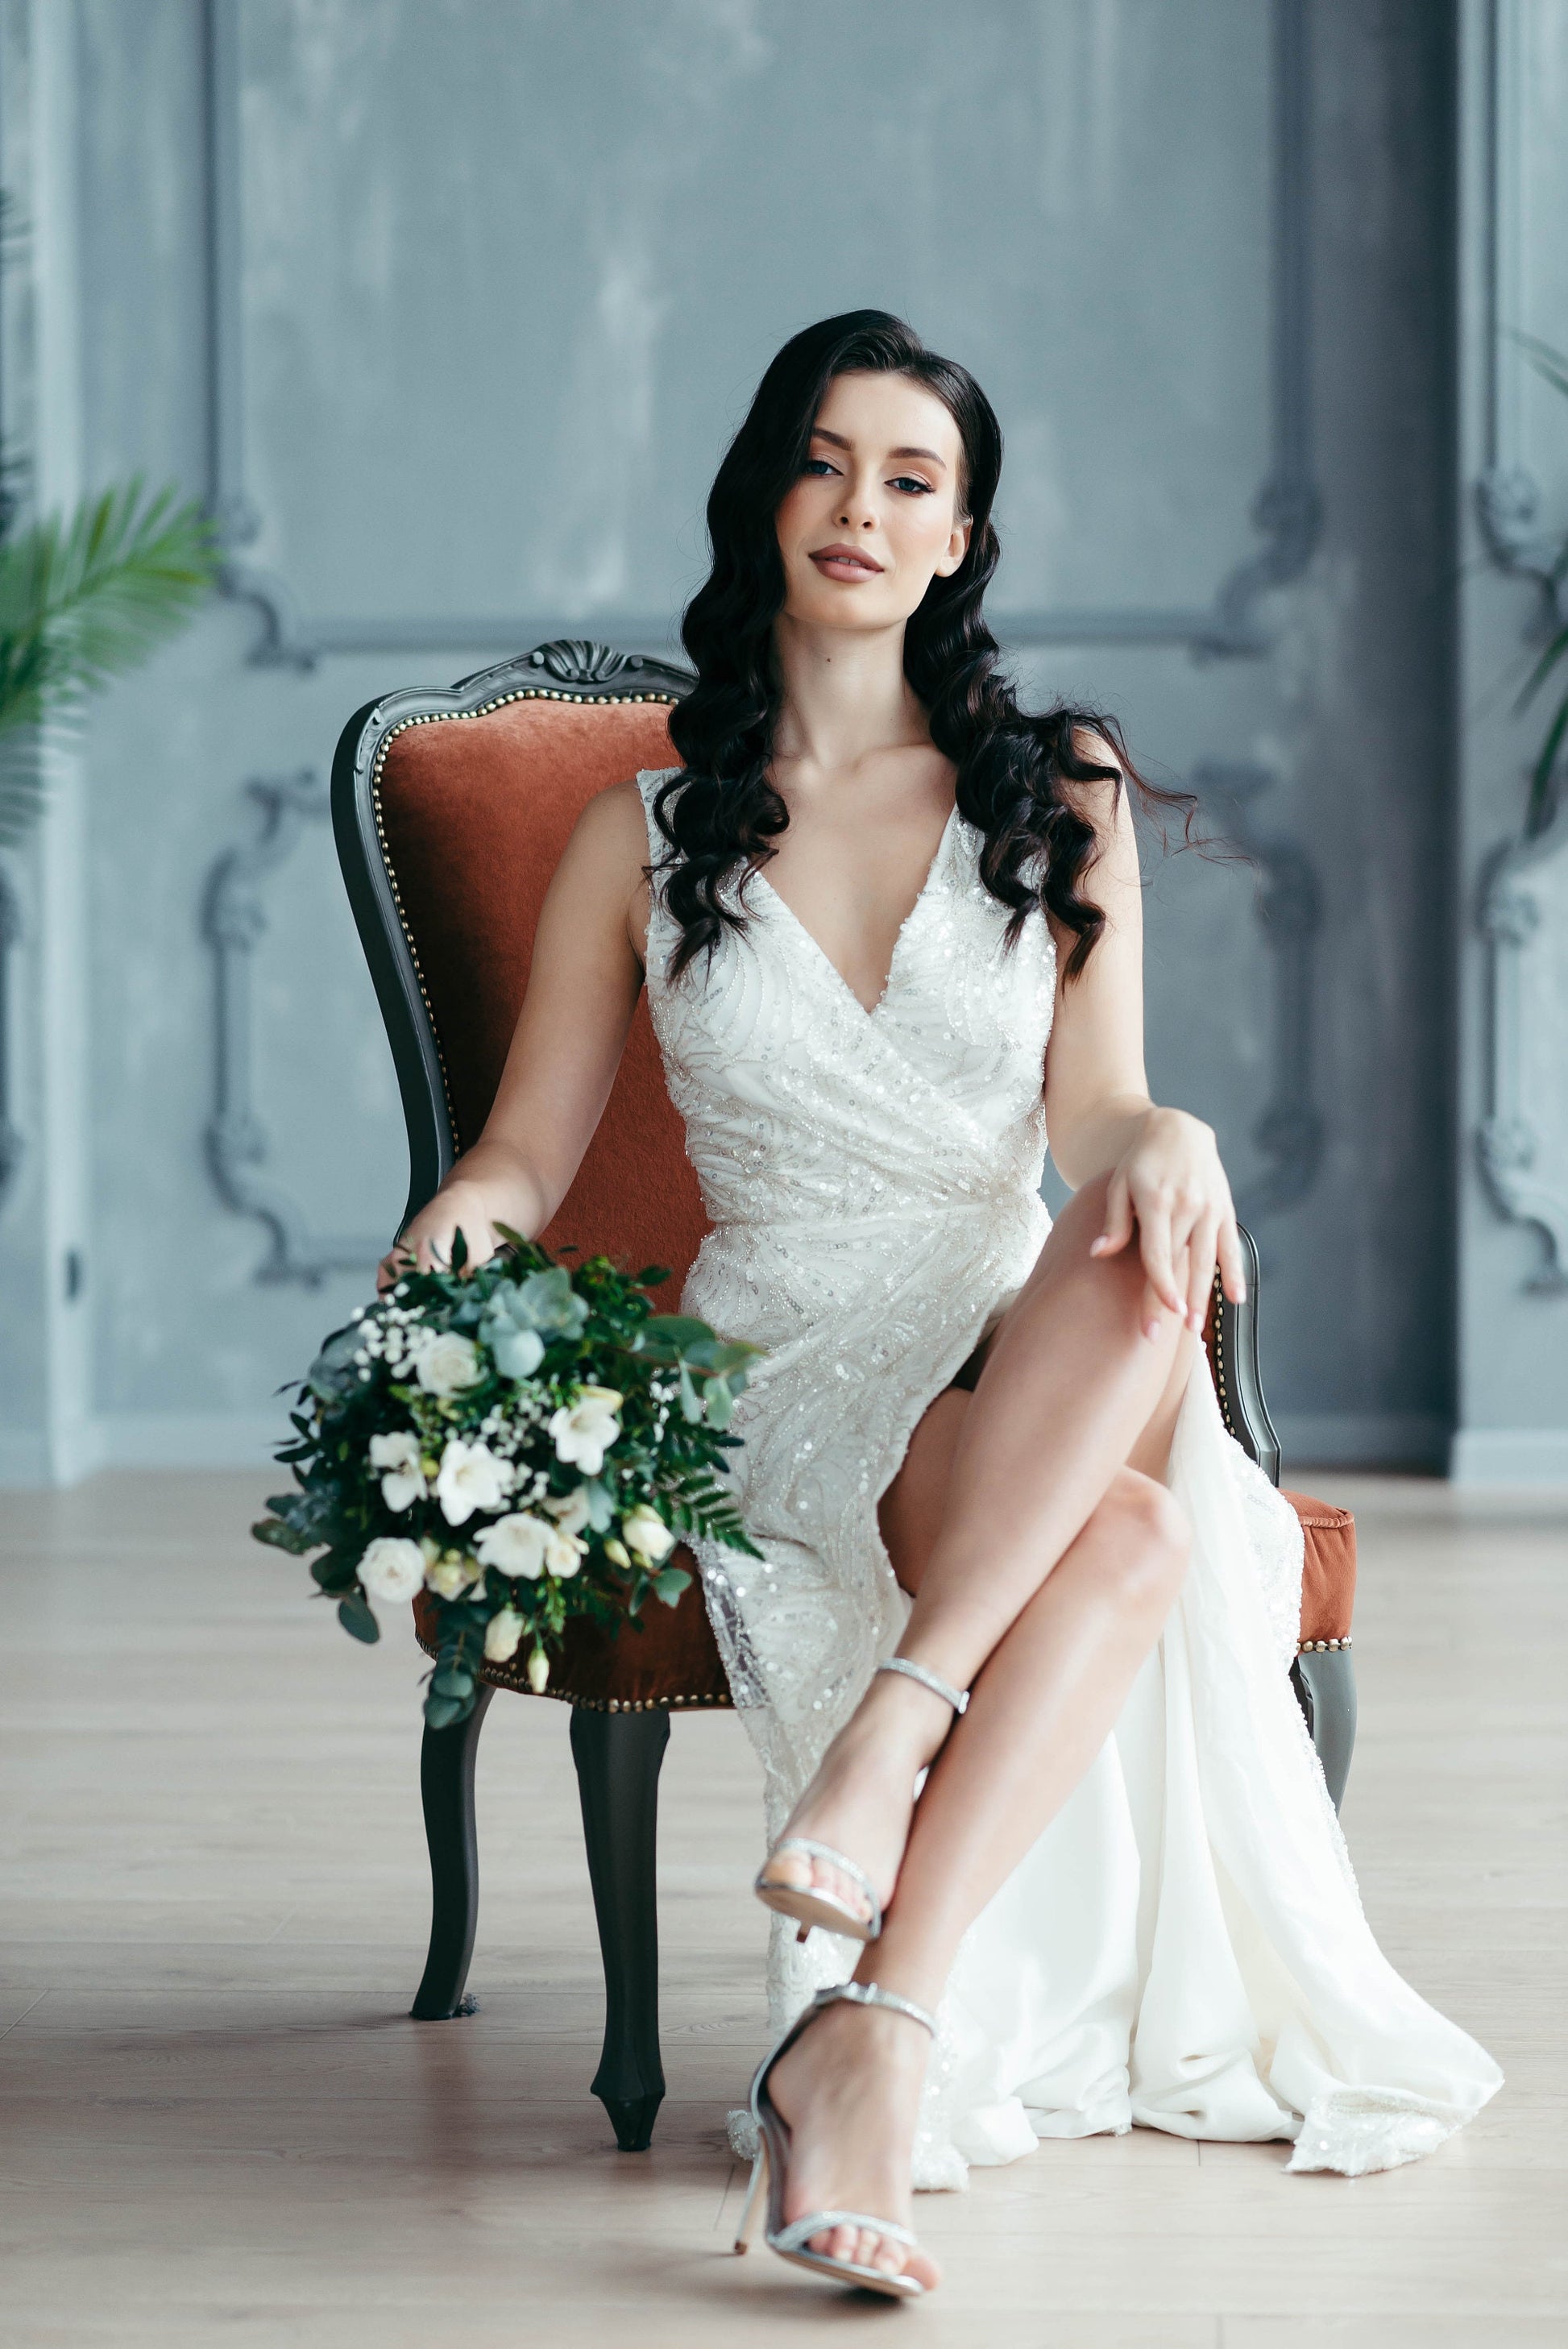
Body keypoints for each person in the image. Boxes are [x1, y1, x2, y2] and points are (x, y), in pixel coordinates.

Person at [386, 312, 1500, 2300]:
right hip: (791, 1352)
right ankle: (883, 1992)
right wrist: (462, 1221)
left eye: (911, 479)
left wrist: (1165, 1133)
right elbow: (526, 1156)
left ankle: (875, 1899)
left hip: (1017, 1328)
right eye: (826, 463)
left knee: (1138, 1223)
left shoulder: (1048, 785)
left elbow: (1091, 1110)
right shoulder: (635, 840)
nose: (861, 508)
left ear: (962, 538)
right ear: (766, 495)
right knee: (1144, 1528)